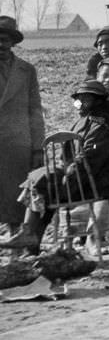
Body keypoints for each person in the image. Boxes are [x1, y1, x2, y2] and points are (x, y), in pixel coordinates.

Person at [0, 80, 109, 254]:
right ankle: (30, 239)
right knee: (39, 178)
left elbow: (90, 160)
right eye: (78, 100)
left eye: (85, 100)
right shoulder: (83, 121)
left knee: (46, 184)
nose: (80, 104)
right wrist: (62, 174)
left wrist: (66, 181)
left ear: (98, 101)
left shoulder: (104, 125)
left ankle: (30, 236)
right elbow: (66, 157)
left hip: (101, 181)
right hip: (82, 176)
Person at [0, 15, 44, 237]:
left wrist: (38, 147)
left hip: (18, 143)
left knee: (15, 195)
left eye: (5, 39)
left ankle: (17, 241)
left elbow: (35, 110)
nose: (1, 44)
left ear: (13, 42)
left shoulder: (26, 71)